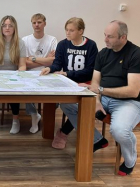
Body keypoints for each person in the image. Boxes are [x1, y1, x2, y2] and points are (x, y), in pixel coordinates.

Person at [58, 21, 140, 176]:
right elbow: (95, 81)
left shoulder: (137, 55)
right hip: (105, 98)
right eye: (105, 35)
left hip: (132, 102)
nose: (106, 39)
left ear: (123, 37)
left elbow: (133, 91)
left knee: (119, 130)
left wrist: (100, 90)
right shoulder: (103, 53)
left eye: (110, 37)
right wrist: (96, 100)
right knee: (67, 104)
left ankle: (130, 159)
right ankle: (98, 140)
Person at [40, 17, 98, 148]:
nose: (67, 33)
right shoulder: (62, 44)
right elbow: (57, 64)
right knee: (67, 104)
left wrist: (68, 73)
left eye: (71, 30)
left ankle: (63, 132)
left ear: (81, 31)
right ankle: (80, 134)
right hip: (67, 82)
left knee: (81, 107)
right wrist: (50, 68)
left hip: (85, 82)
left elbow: (90, 70)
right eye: (66, 30)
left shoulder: (91, 45)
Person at [22, 13, 57, 133]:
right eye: (34, 22)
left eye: (39, 22)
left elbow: (53, 62)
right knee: (27, 90)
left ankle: (48, 119)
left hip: (48, 73)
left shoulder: (52, 40)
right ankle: (34, 117)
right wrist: (45, 60)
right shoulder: (25, 40)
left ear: (45, 24)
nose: (36, 25)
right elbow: (24, 63)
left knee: (55, 93)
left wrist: (33, 59)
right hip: (30, 73)